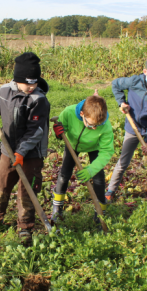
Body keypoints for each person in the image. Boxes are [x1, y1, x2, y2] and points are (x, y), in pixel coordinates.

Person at [0, 52, 50, 241]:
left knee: (27, 190)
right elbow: (0, 105)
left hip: (31, 153)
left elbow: (36, 131)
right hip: (7, 149)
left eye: (34, 83)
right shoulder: (4, 91)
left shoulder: (39, 100)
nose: (31, 87)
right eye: (27, 83)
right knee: (1, 185)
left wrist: (21, 152)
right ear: (17, 79)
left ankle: (25, 227)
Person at [105, 55, 147, 202]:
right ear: (145, 72)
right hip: (133, 126)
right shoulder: (135, 81)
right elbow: (115, 84)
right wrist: (121, 103)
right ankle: (110, 191)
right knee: (124, 160)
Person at [52, 95, 114, 224]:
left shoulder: (105, 126)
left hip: (95, 146)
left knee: (98, 177)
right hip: (72, 144)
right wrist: (57, 133)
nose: (95, 128)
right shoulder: (69, 112)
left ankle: (100, 211)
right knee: (64, 174)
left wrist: (91, 170)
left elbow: (106, 151)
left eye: (98, 125)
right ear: (82, 114)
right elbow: (61, 129)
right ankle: (57, 208)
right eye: (91, 125)